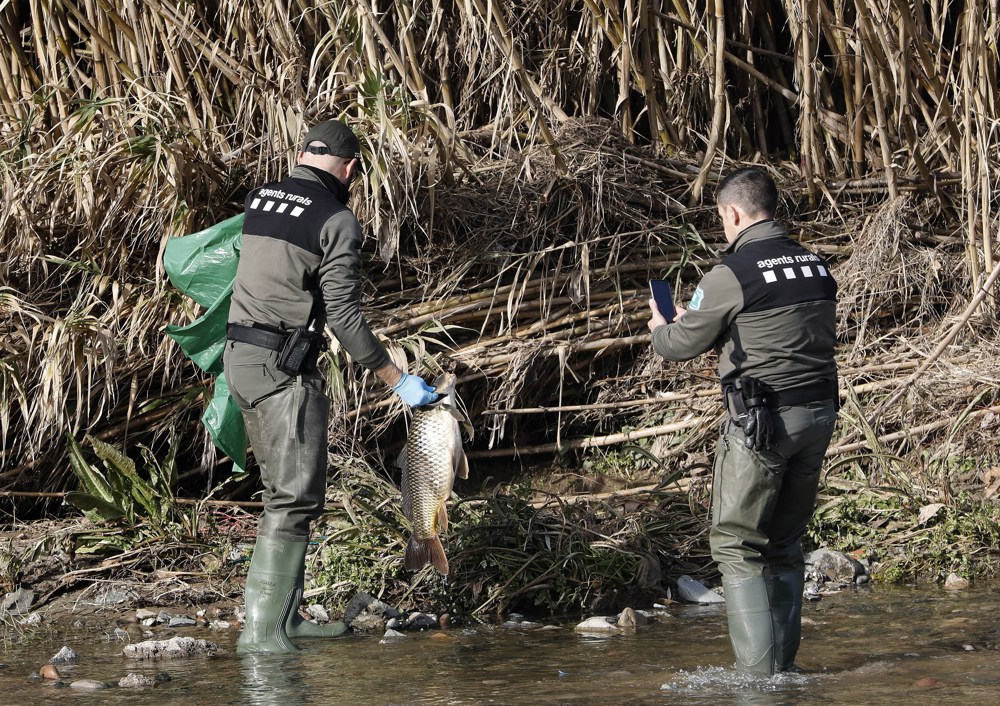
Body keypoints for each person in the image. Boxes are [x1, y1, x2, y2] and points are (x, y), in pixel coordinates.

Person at [224, 119, 438, 653]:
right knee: (294, 499)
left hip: (241, 358)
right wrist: (398, 378)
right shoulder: (337, 219)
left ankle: (287, 618)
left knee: (282, 493)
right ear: (351, 169)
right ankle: (265, 633)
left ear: (302, 153)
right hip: (282, 370)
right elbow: (343, 315)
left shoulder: (262, 197)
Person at [647, 167, 838, 674]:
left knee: (735, 543)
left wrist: (660, 326)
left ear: (733, 213)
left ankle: (758, 680)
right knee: (785, 544)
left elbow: (680, 346)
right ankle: (785, 667)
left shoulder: (731, 274)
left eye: (721, 219)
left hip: (763, 424)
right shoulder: (816, 264)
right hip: (819, 416)